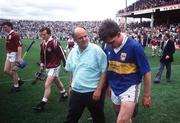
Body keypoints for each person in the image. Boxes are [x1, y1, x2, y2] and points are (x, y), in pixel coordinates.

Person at [98, 19, 151, 123]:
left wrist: (146, 95)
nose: (109, 46)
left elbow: (147, 72)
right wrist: (109, 85)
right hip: (114, 87)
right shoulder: (107, 46)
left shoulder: (135, 47)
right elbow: (109, 67)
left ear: (118, 34)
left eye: (111, 42)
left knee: (121, 120)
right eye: (107, 43)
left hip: (130, 86)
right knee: (120, 115)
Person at [64, 27, 107, 123]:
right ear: (75, 40)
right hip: (76, 91)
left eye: (85, 36)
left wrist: (99, 90)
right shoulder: (73, 52)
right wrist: (71, 85)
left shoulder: (97, 50)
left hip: (93, 92)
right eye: (80, 38)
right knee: (71, 118)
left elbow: (104, 71)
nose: (84, 39)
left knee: (98, 118)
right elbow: (71, 70)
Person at [33, 27, 68, 112]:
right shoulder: (42, 44)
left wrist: (65, 65)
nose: (42, 36)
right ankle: (64, 94)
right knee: (57, 81)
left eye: (44, 35)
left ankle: (43, 103)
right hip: (48, 66)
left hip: (55, 66)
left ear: (49, 34)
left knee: (47, 84)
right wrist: (42, 64)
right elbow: (42, 55)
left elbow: (62, 54)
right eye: (41, 35)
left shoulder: (55, 42)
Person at [2, 22, 24, 92]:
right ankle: (18, 80)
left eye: (5, 27)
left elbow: (19, 46)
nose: (4, 28)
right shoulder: (9, 35)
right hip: (9, 54)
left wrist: (19, 57)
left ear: (10, 26)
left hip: (13, 54)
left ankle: (16, 86)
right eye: (3, 27)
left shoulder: (15, 35)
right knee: (6, 70)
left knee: (13, 71)